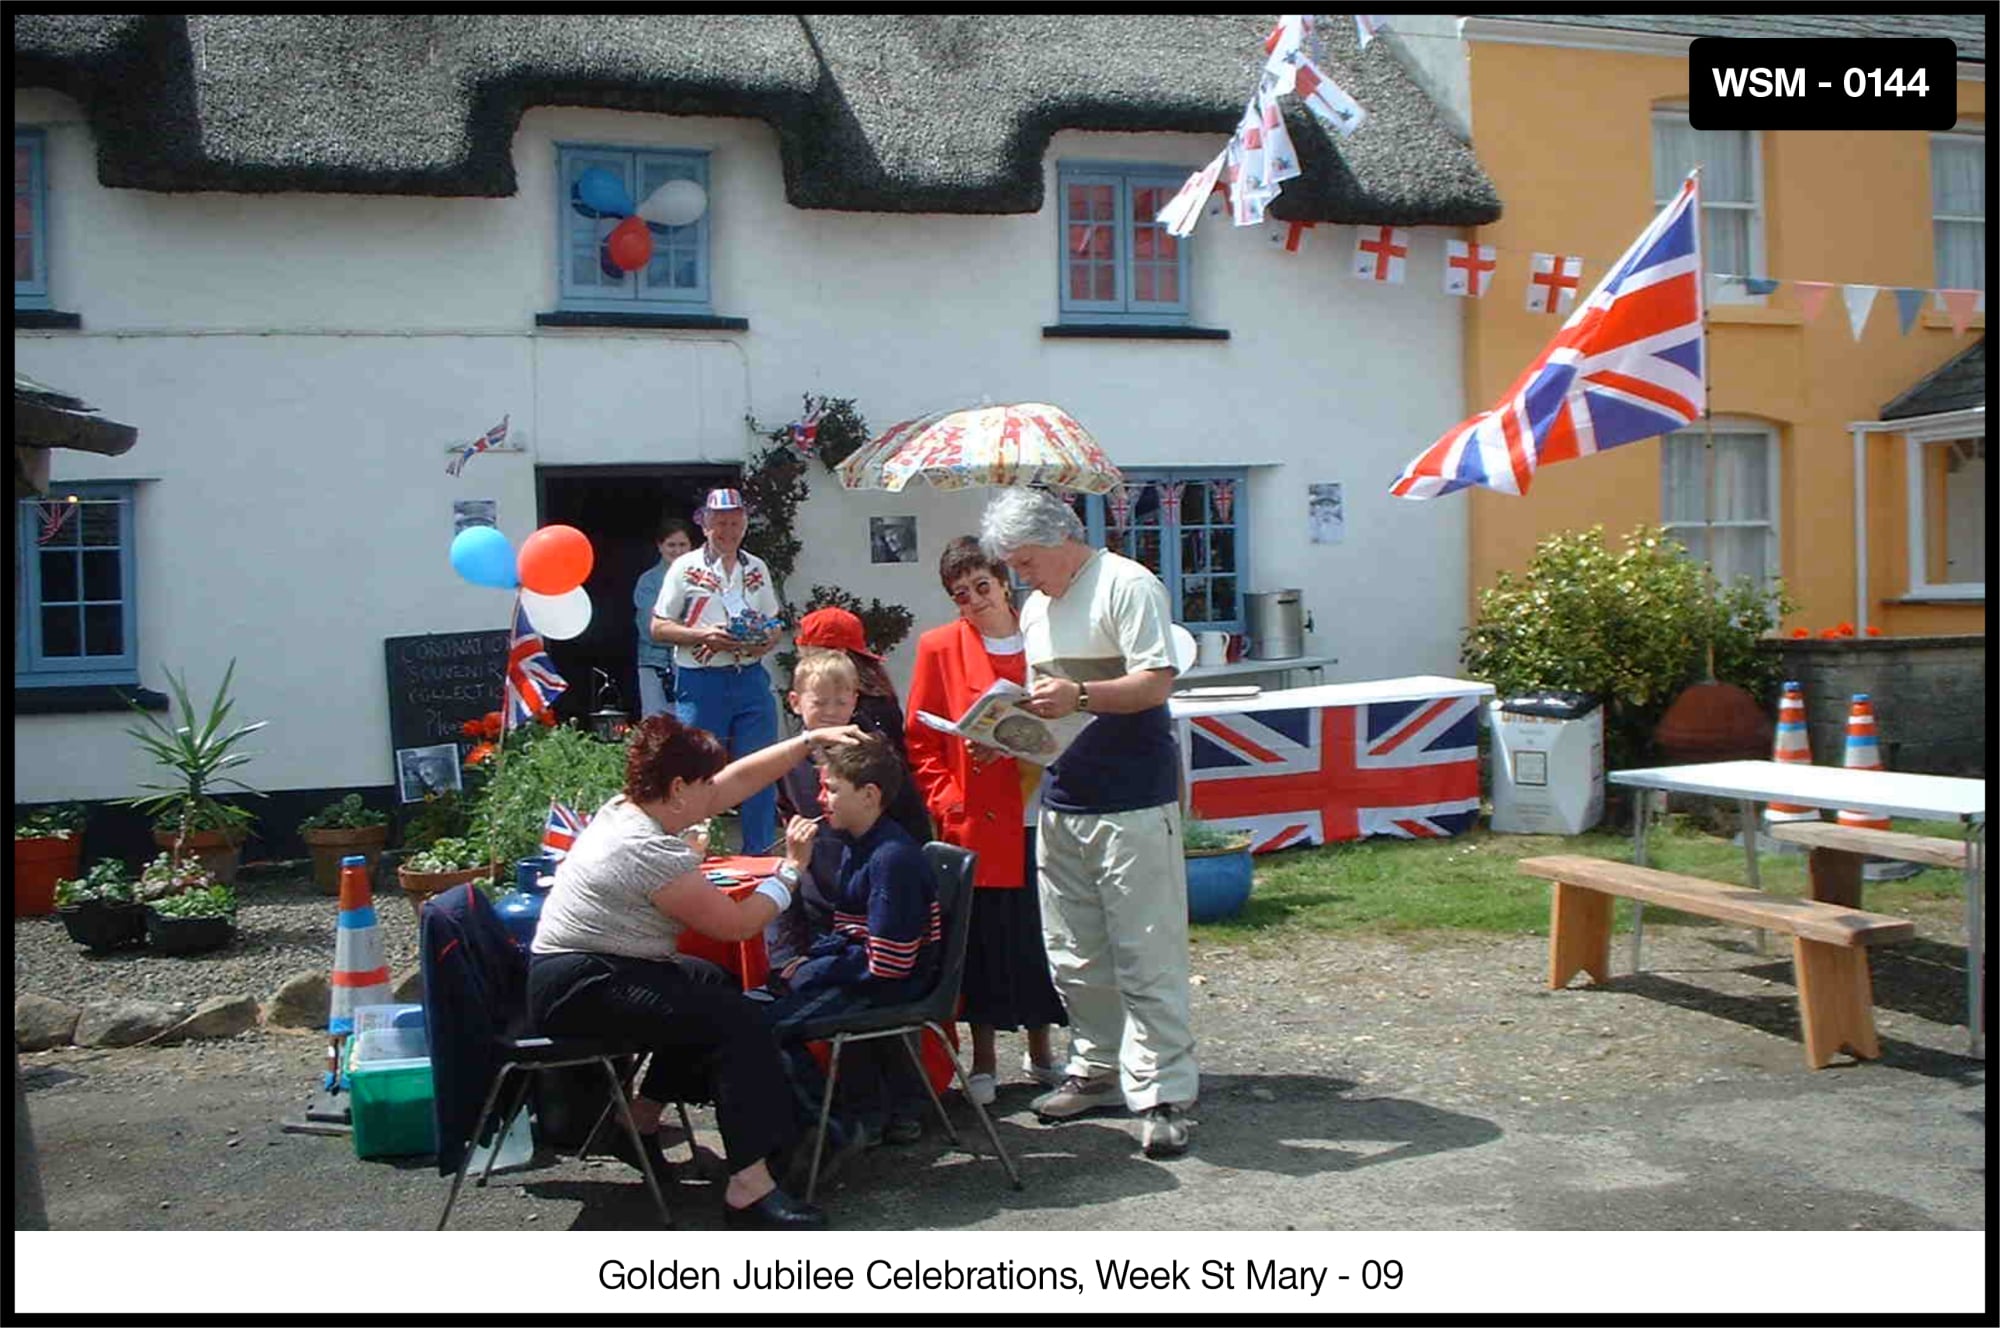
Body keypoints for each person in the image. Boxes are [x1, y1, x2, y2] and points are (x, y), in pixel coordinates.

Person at [526, 712, 862, 1229]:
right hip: (578, 985)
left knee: (711, 983)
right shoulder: (646, 849)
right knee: (737, 1022)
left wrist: (806, 741)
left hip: (586, 969)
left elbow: (737, 782)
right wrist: (791, 869)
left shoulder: (630, 809)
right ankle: (750, 1189)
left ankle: (635, 1119)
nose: (715, 795)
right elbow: (736, 925)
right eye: (705, 783)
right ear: (679, 788)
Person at [978, 486, 1197, 1159]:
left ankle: (1164, 1093)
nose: (1020, 577)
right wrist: (1006, 733)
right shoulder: (1041, 606)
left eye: (1024, 561)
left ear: (1056, 539)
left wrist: (1082, 694)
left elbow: (1156, 682)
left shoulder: (1127, 585)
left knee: (1145, 947)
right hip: (1064, 796)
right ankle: (1097, 1068)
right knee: (1074, 951)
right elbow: (1051, 708)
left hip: (1133, 797)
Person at [904, 535, 1069, 1107]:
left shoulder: (1050, 632)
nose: (974, 601)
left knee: (1043, 934)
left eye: (981, 586)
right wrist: (948, 799)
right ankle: (983, 1058)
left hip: (1047, 803)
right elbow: (921, 739)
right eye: (961, 594)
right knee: (985, 941)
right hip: (980, 814)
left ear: (1003, 580)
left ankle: (1045, 1050)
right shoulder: (939, 647)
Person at [762, 734, 941, 1150]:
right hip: (866, 973)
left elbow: (889, 963)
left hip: (892, 986)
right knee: (750, 1011)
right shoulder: (856, 844)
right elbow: (848, 933)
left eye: (832, 789)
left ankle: (832, 1130)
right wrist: (807, 960)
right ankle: (832, 1118)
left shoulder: (890, 857)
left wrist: (813, 969)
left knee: (765, 1031)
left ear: (870, 795)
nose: (822, 799)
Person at [769, 651, 933, 968]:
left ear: (854, 701)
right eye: (820, 703)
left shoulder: (874, 757)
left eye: (841, 703)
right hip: (816, 895)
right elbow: (787, 818)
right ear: (795, 701)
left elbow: (912, 823)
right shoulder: (787, 762)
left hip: (868, 901)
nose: (831, 713)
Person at [650, 488, 785, 853]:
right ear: (705, 524)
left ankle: (758, 856)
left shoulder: (755, 567)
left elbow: (774, 621)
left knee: (760, 769)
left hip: (750, 677)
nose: (729, 530)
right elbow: (658, 627)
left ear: (744, 524)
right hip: (702, 680)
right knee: (697, 771)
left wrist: (767, 639)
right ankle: (696, 855)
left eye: (735, 523)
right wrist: (701, 635)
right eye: (721, 522)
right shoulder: (685, 567)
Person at [633, 514, 697, 719]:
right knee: (656, 728)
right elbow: (648, 629)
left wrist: (673, 627)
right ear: (659, 546)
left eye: (682, 545)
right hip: (655, 665)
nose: (677, 551)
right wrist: (691, 632)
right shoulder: (649, 581)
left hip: (693, 664)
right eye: (671, 545)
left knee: (692, 724)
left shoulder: (702, 579)